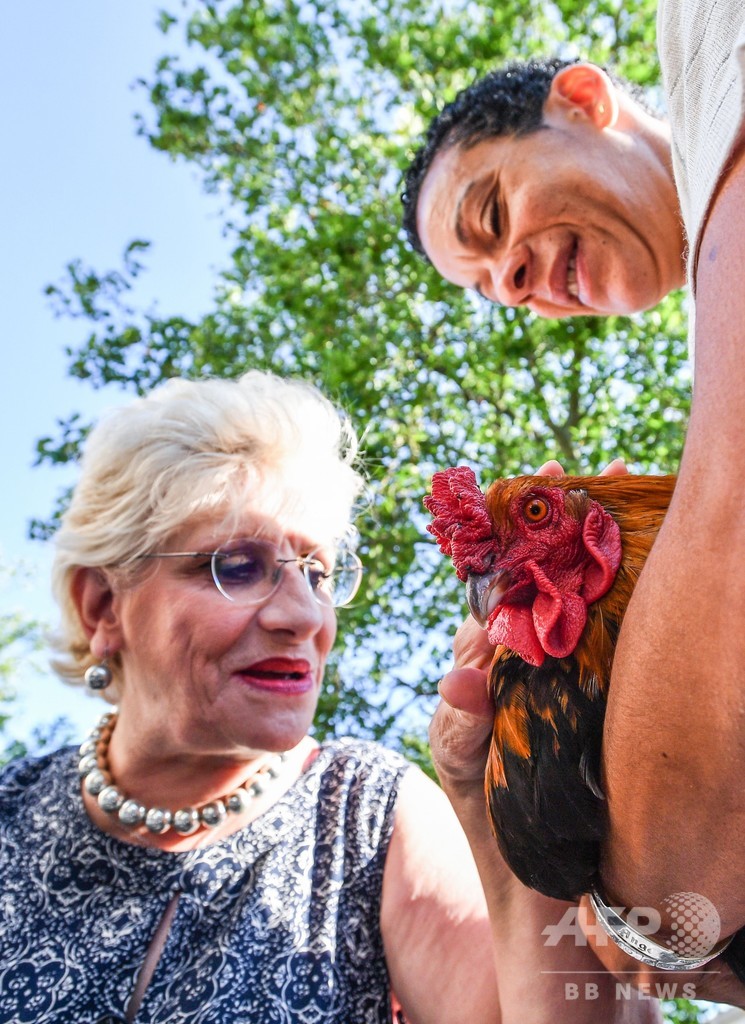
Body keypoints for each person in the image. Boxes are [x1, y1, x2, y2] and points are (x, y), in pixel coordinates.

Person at [403, 15, 745, 1010]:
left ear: (586, 102)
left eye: (489, 215)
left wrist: (646, 923)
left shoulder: (710, 56)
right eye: (488, 290)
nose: (510, 284)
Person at [0, 369, 506, 1024]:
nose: (305, 616)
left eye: (317, 573)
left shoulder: (373, 814)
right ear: (101, 606)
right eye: (236, 567)